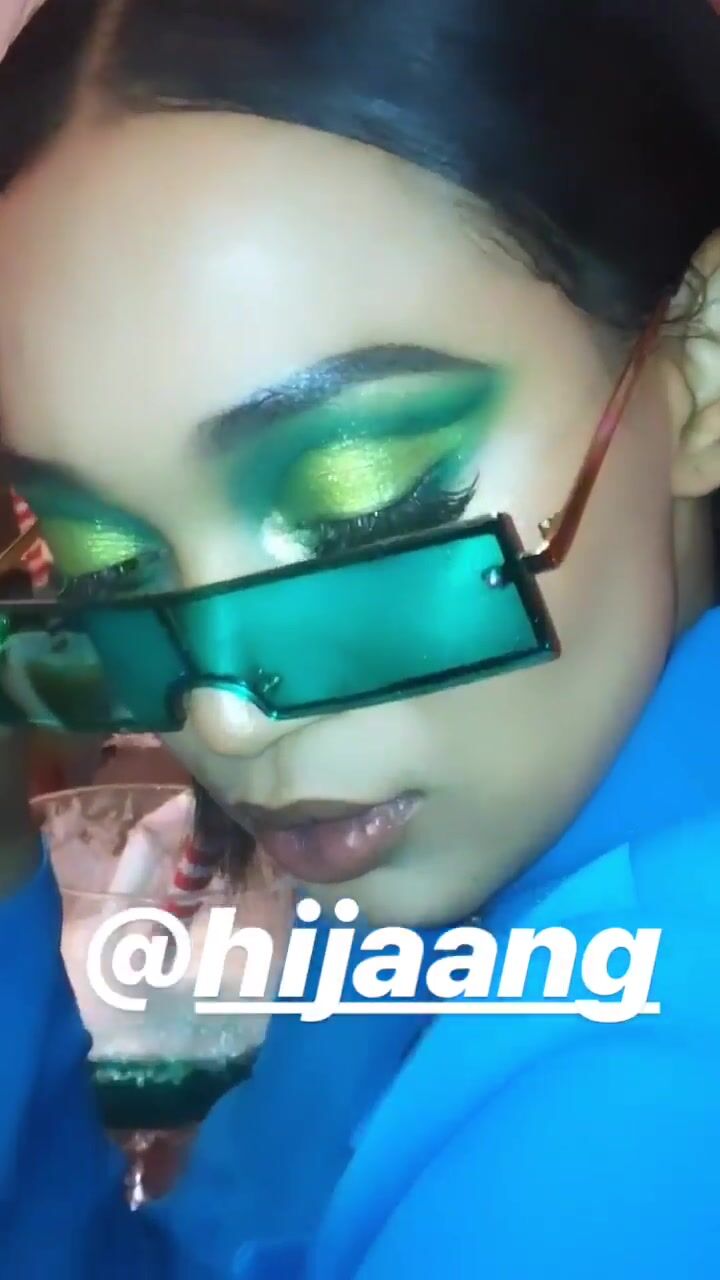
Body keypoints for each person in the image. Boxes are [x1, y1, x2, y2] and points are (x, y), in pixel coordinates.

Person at [1, 1, 720, 1275]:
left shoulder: (641, 1115)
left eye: (359, 505)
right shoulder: (398, 863)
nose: (225, 715)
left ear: (700, 368)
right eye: (108, 559)